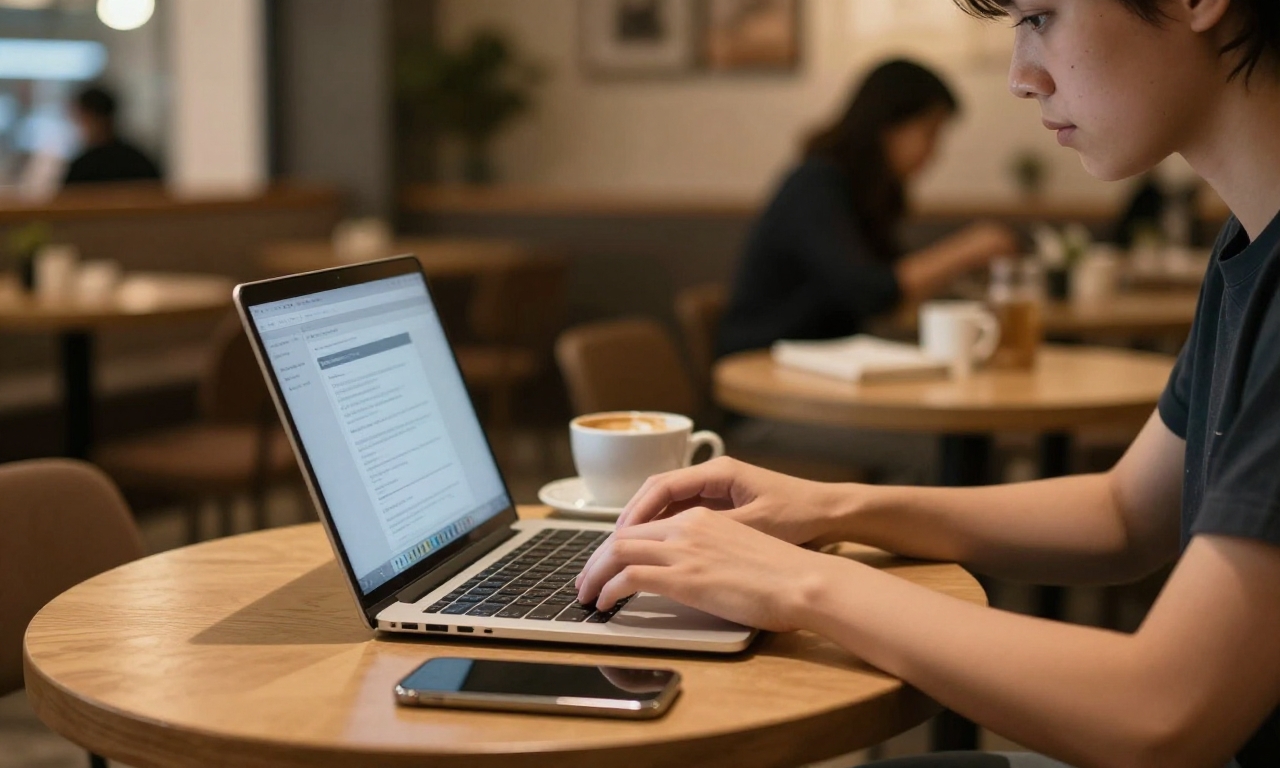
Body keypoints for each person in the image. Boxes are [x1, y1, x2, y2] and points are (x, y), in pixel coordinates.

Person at [577, 1, 1280, 766]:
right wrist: (831, 507)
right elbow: (1122, 514)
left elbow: (1164, 712)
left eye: (1040, 15)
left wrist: (801, 583)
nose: (1019, 76)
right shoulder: (1244, 245)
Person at [718, 59, 1018, 359]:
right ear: (887, 125)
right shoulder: (815, 184)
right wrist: (969, 248)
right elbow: (870, 293)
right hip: (766, 365)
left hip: (822, 362)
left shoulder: (863, 191)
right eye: (929, 132)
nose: (934, 151)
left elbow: (893, 286)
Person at [62, 85, 161, 186]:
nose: (79, 126)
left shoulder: (83, 166)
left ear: (90, 117)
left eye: (80, 119)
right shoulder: (139, 160)